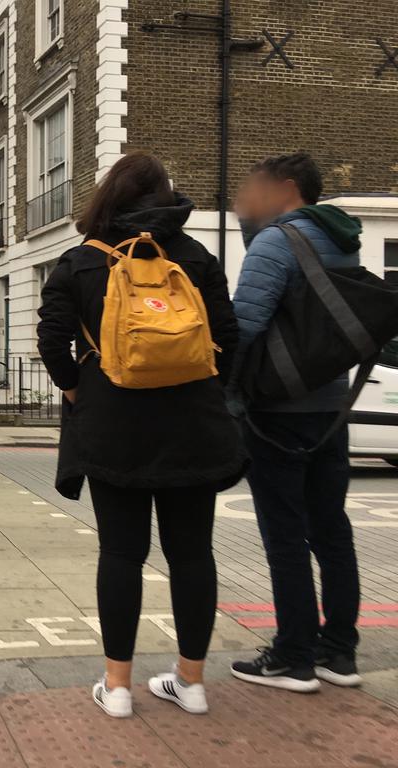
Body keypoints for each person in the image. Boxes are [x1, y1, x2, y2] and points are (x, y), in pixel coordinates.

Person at [37, 152, 243, 719]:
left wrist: (77, 390)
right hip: (193, 426)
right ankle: (191, 682)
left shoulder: (82, 261)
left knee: (122, 553)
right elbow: (228, 337)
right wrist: (201, 389)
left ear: (110, 194)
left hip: (113, 424)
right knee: (193, 553)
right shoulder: (195, 257)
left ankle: (119, 687)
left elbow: (52, 340)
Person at [228, 153, 363, 692]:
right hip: (331, 409)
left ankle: (293, 656)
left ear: (287, 188)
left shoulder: (276, 242)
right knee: (331, 530)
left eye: (257, 187)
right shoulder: (342, 239)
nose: (248, 197)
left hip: (278, 413)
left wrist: (226, 398)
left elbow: (243, 326)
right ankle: (340, 652)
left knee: (284, 535)